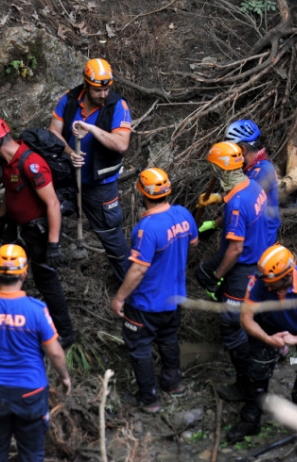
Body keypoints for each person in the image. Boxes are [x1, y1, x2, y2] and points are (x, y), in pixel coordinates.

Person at [0, 244, 72, 462]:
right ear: (25, 272)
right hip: (31, 392)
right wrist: (64, 377)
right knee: (32, 454)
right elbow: (55, 354)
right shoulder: (36, 310)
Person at [0, 116, 76, 348]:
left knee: (47, 281)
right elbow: (12, 192)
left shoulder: (31, 164)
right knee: (7, 270)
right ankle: (9, 319)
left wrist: (53, 243)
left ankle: (66, 334)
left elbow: (51, 203)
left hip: (39, 230)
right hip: (19, 228)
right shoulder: (6, 162)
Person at [225, 244, 297, 443]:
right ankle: (251, 420)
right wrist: (267, 339)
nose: (266, 287)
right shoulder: (259, 282)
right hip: (270, 326)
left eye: (271, 284)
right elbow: (246, 318)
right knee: (257, 372)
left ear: (285, 278)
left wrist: (296, 340)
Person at [111, 168, 198, 413]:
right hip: (175, 296)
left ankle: (148, 398)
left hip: (146, 303)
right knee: (168, 338)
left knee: (139, 347)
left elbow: (138, 270)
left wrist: (119, 298)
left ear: (142, 192)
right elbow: (193, 243)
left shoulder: (146, 228)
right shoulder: (182, 213)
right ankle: (174, 383)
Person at [193, 142, 271, 396]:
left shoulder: (237, 203)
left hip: (244, 265)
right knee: (201, 273)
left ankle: (246, 382)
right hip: (258, 251)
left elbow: (234, 250)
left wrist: (218, 277)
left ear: (220, 170)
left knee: (231, 323)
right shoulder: (252, 185)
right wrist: (214, 222)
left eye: (214, 168)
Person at [49, 58, 132, 283]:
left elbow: (121, 144)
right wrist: (69, 152)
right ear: (86, 84)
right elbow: (53, 132)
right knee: (48, 217)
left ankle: (129, 285)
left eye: (107, 89)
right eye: (98, 90)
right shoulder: (68, 100)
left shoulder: (117, 107)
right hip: (68, 178)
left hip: (100, 186)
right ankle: (52, 271)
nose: (103, 94)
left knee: (110, 235)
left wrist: (92, 129)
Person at [224, 120, 280, 244]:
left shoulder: (261, 172)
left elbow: (243, 205)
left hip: (263, 241)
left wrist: (214, 224)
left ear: (243, 149)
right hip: (261, 234)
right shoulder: (256, 166)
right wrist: (217, 197)